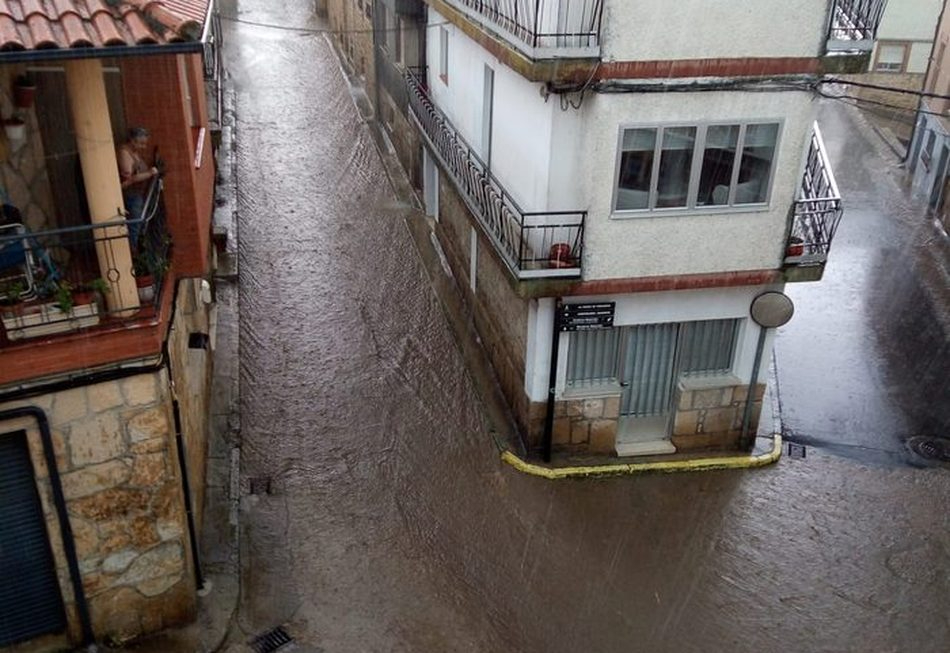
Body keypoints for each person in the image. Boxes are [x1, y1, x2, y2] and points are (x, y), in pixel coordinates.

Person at [117, 127, 159, 244]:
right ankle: (132, 248)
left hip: (137, 194)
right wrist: (150, 173)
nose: (143, 147)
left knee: (138, 222)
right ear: (132, 140)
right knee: (135, 223)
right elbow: (130, 178)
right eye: (141, 143)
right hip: (130, 194)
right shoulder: (125, 153)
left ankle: (134, 246)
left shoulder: (134, 153)